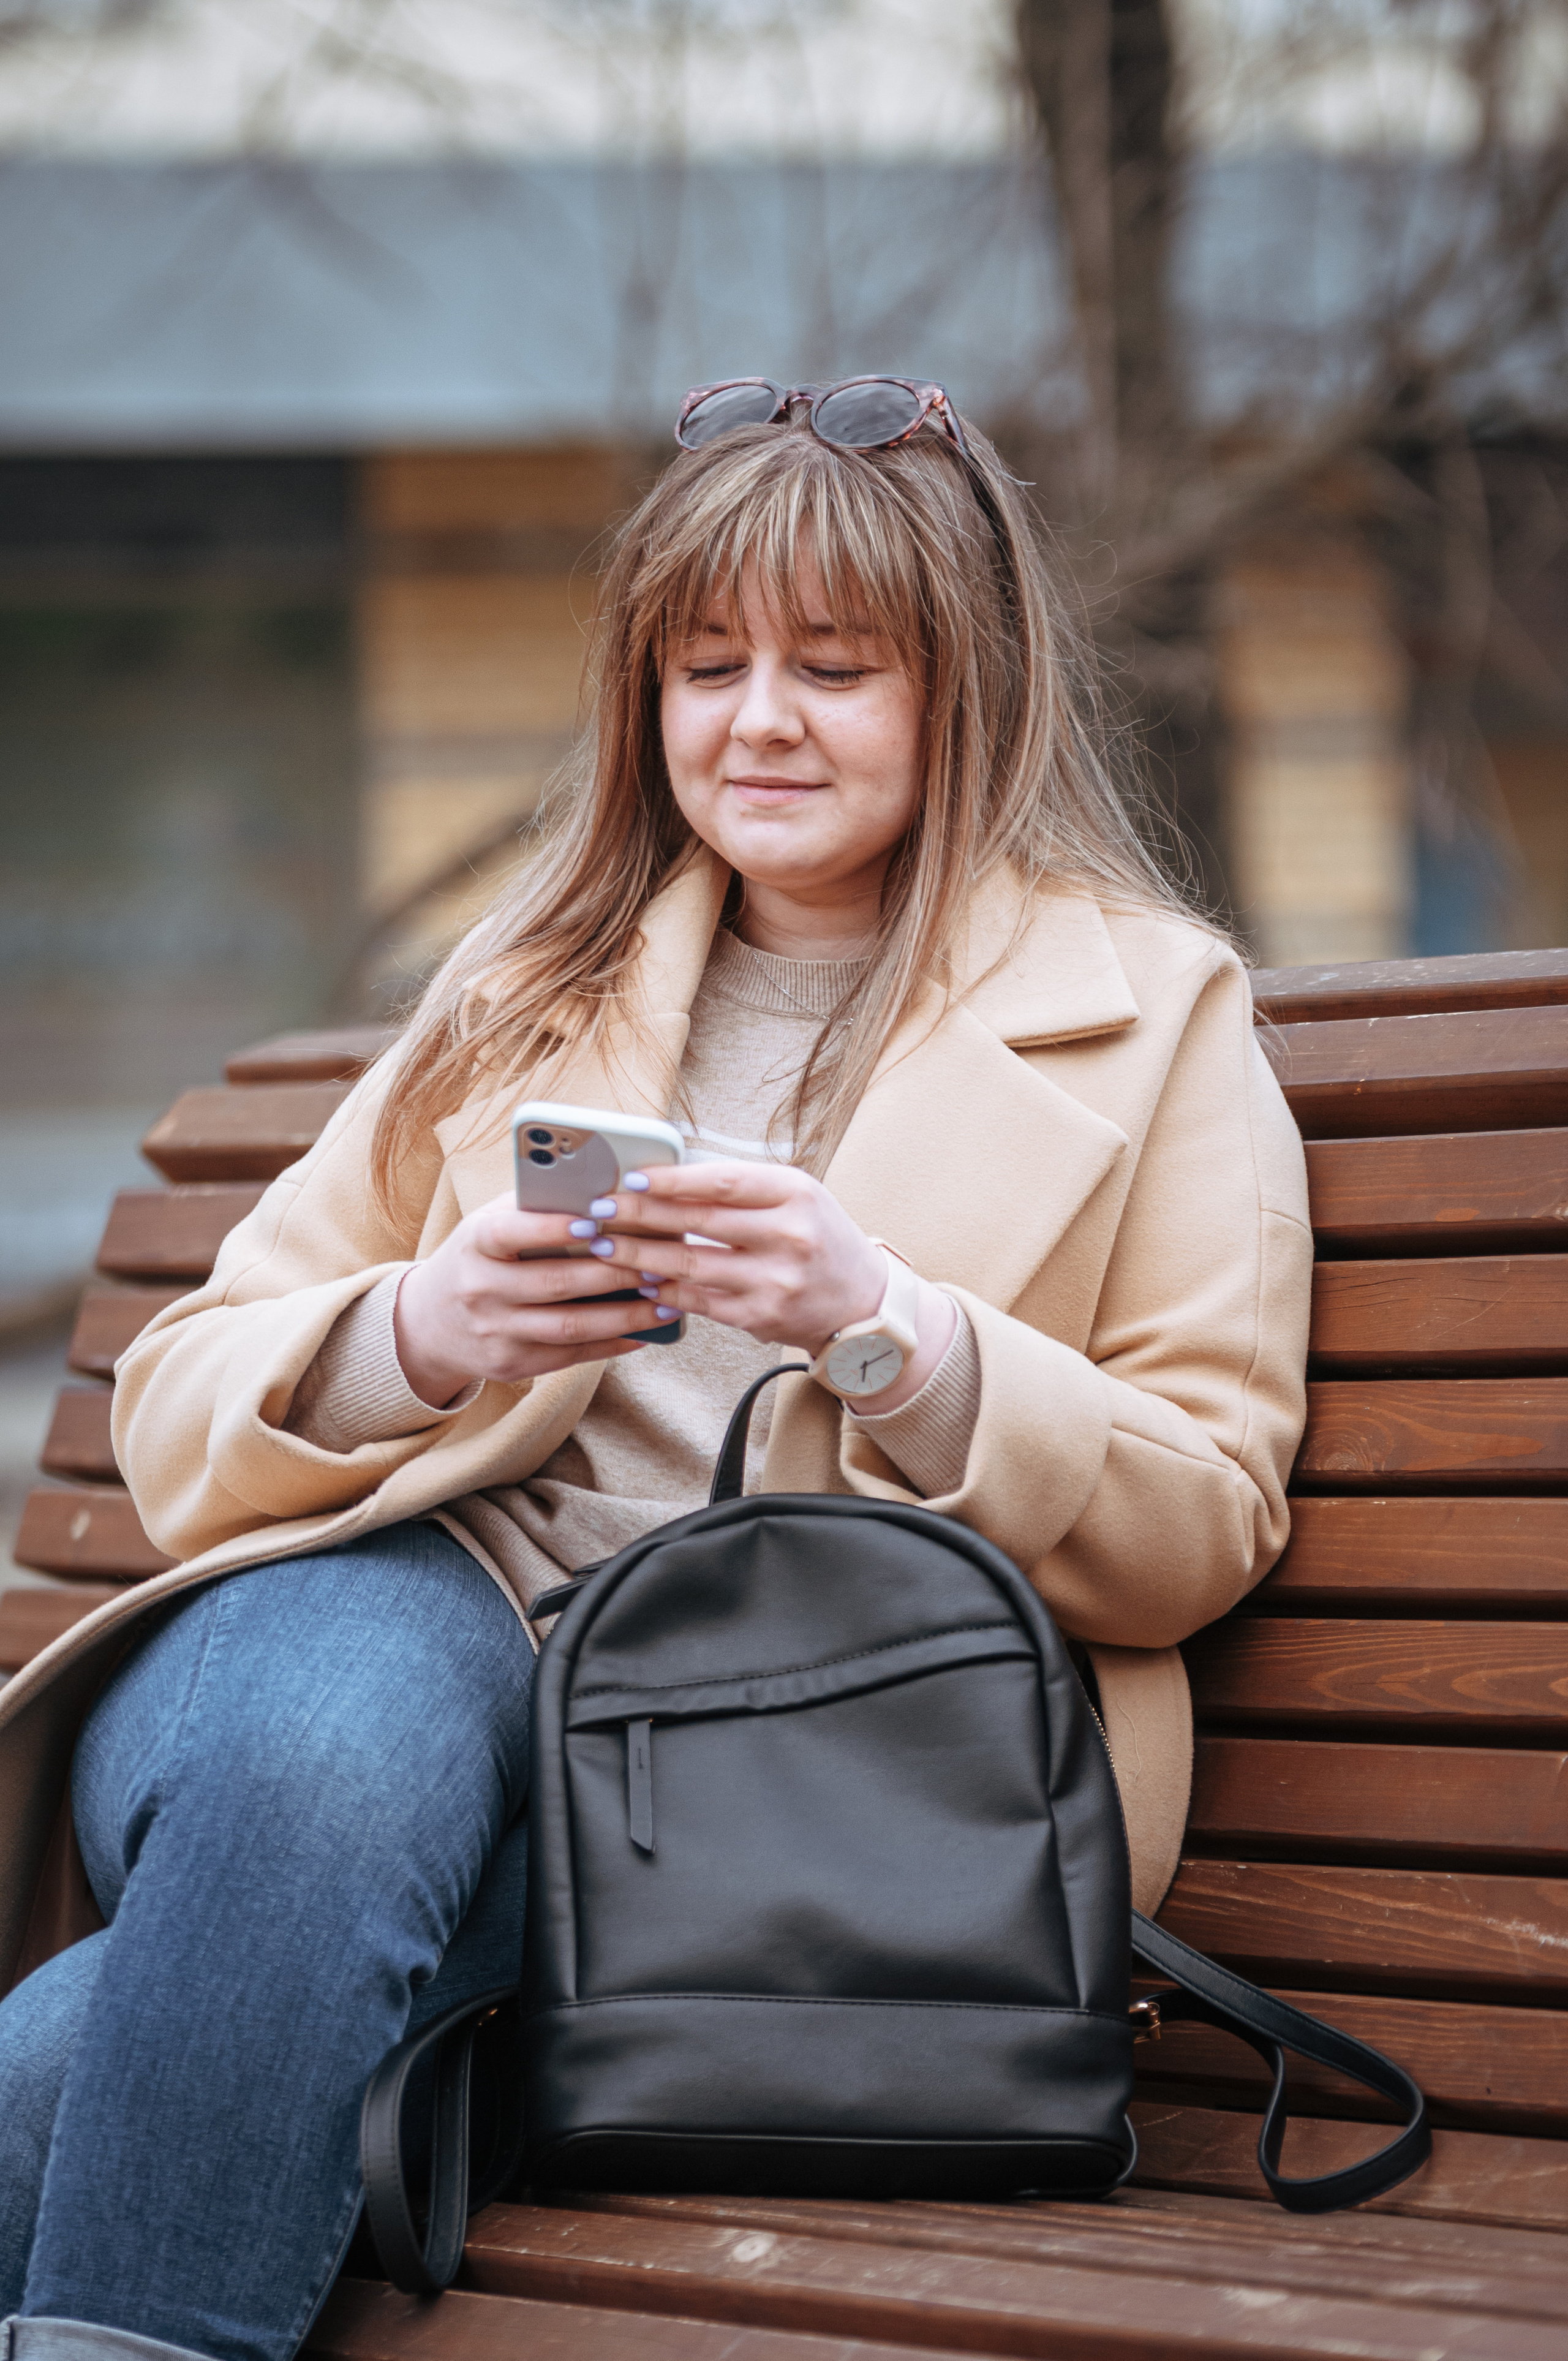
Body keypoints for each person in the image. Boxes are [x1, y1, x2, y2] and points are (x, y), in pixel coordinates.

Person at [0, 377, 1311, 2361]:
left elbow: (1204, 1516)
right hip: (373, 1655)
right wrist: (420, 1331)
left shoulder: (1152, 1011)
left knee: (84, 2059)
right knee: (345, 1735)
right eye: (707, 665)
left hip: (774, 1789)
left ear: (967, 689)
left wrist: (892, 1327)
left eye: (835, 668)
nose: (757, 720)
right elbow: (185, 1398)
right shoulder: (533, 976)